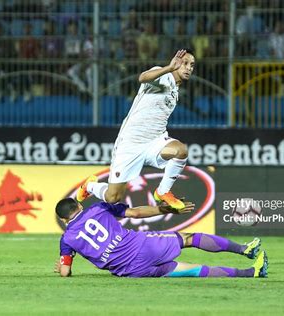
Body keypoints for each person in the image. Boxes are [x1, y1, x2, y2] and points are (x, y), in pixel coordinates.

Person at [76, 49, 196, 211]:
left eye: (192, 65)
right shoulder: (162, 75)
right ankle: (90, 186)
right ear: (176, 63)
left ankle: (162, 192)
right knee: (113, 198)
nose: (189, 68)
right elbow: (142, 78)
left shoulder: (175, 90)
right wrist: (169, 67)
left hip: (155, 140)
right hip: (131, 142)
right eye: (185, 63)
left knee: (180, 151)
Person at [54, 198, 268, 278]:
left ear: (63, 220)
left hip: (131, 271)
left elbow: (65, 272)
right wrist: (166, 209)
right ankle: (244, 250)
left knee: (193, 270)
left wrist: (62, 268)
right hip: (143, 246)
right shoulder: (98, 208)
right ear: (79, 206)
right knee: (189, 238)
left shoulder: (66, 239)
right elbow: (136, 213)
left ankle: (252, 273)